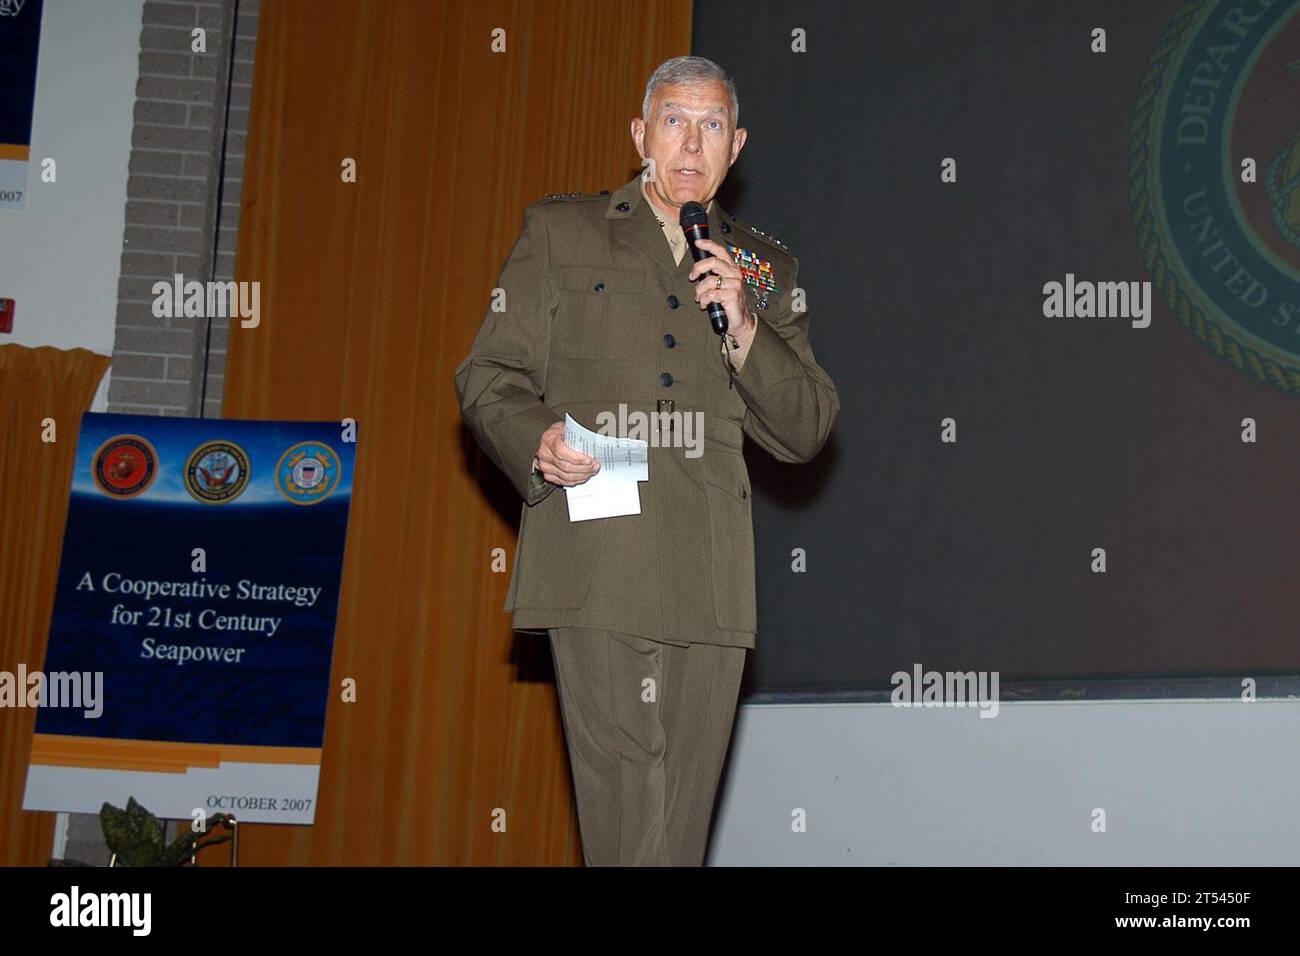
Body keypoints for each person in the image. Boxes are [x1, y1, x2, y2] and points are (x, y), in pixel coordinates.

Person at [454, 55, 839, 865]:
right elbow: (487, 376)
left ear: (736, 146)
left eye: (709, 127)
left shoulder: (767, 272)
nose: (689, 143)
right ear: (641, 134)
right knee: (630, 819)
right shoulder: (562, 232)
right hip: (600, 558)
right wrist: (539, 442)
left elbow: (806, 428)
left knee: (678, 833)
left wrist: (741, 325)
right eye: (673, 120)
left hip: (710, 573)